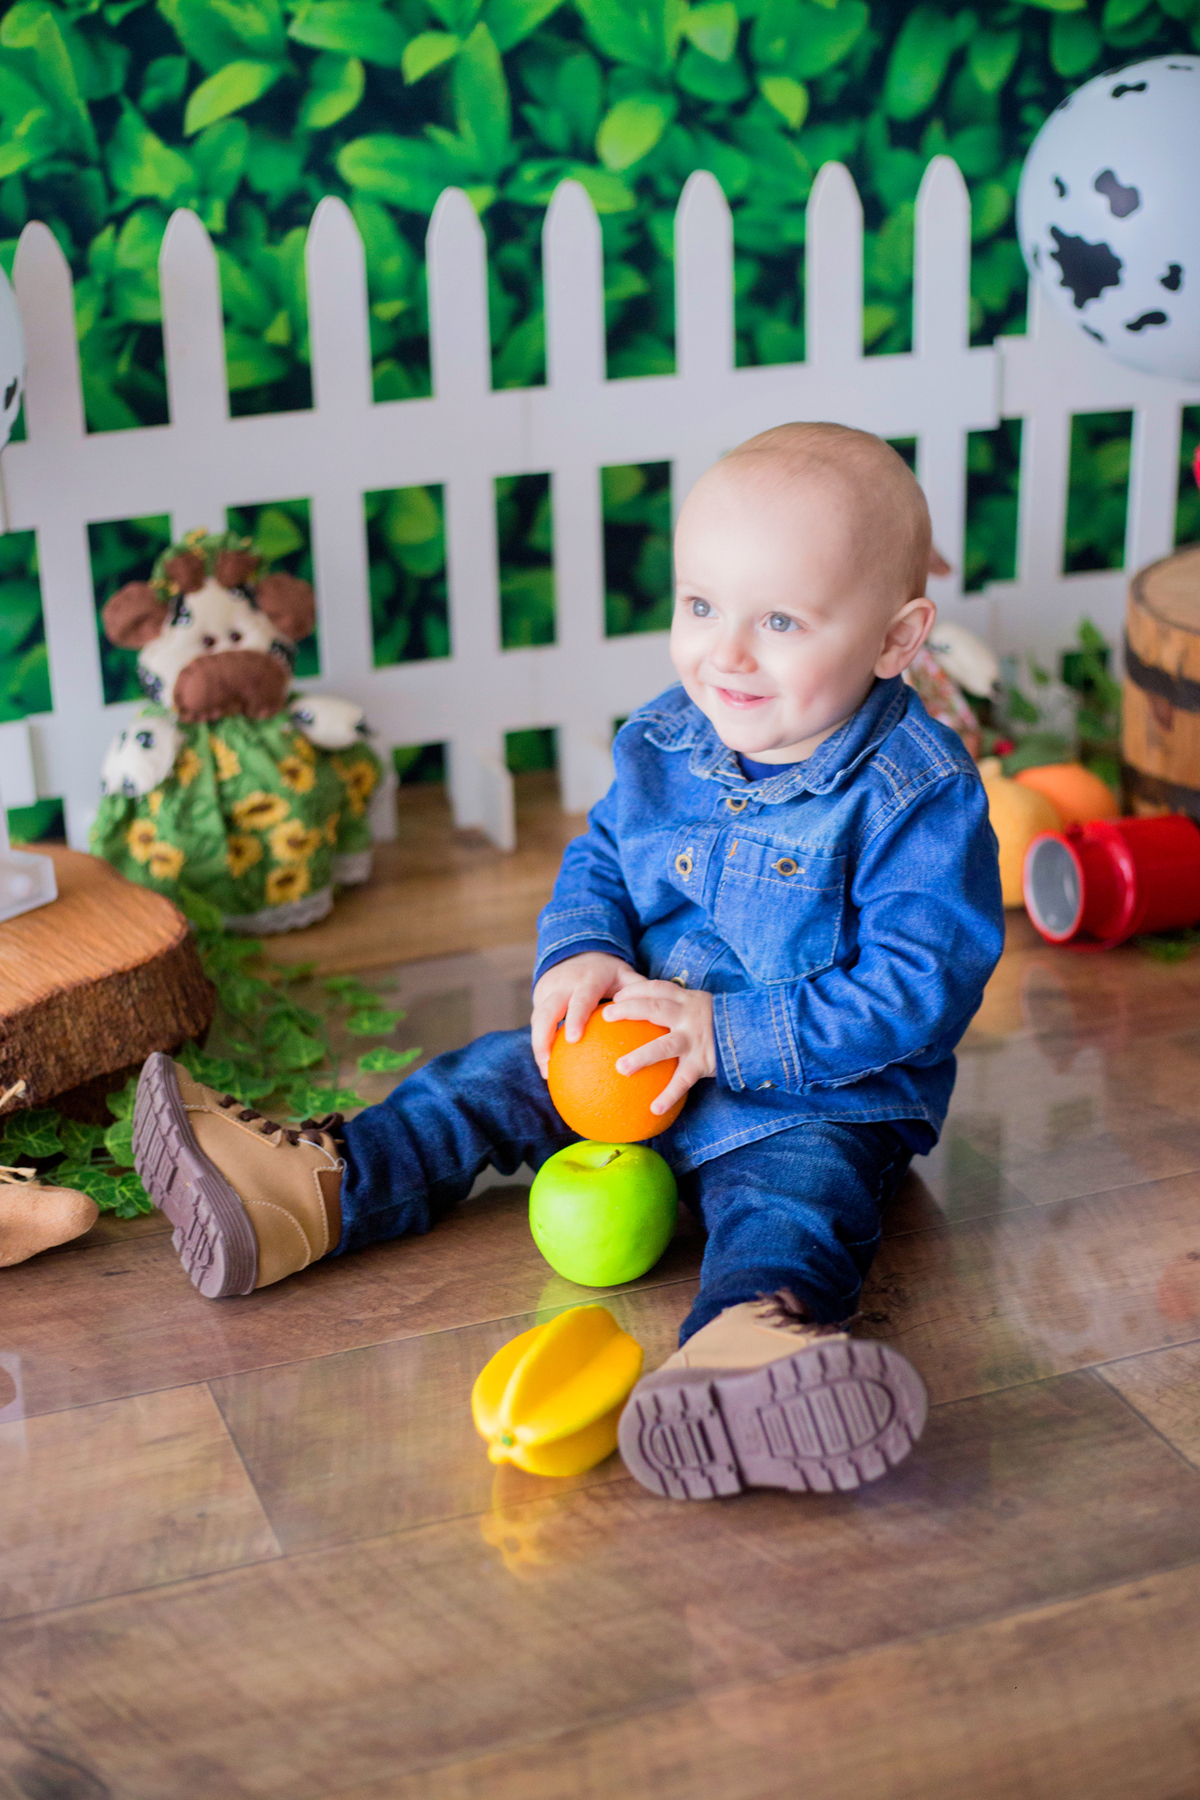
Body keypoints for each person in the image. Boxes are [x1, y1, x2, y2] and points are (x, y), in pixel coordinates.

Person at [132, 422, 1004, 1503]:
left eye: (779, 620)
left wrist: (725, 1034)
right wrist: (580, 952)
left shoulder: (917, 792)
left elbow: (922, 987)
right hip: (633, 1047)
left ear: (896, 636)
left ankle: (747, 1348)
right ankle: (314, 1189)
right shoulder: (668, 736)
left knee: (795, 1207)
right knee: (488, 1078)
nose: (724, 653)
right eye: (700, 607)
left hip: (815, 1094)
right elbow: (601, 857)